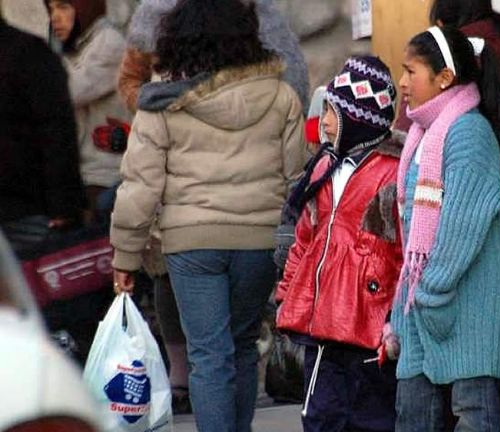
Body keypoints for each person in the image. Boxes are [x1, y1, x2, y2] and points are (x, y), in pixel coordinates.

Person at [109, 0, 308, 431]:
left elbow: (140, 187)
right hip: (258, 241)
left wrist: (125, 256)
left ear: (177, 41)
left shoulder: (161, 102)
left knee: (207, 356)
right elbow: (296, 178)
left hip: (190, 243)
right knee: (239, 347)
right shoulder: (281, 95)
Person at [391, 26, 500, 431]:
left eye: (411, 71)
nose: (403, 82)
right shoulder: (421, 135)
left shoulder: (469, 133)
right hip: (425, 302)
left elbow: (463, 227)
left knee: (473, 414)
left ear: (444, 77)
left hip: (469, 303)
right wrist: (405, 307)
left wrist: (429, 291)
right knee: (412, 412)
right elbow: (414, 229)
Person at [275, 56, 403, 432]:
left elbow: (403, 250)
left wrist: (395, 317)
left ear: (359, 118)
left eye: (333, 111)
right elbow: (304, 239)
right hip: (324, 325)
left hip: (371, 327)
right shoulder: (323, 168)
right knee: (321, 418)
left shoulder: (393, 172)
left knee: (373, 420)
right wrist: (287, 294)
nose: (325, 121)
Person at [118, 0, 309, 112]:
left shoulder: (261, 14)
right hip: (178, 163)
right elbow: (129, 80)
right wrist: (158, 111)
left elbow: (293, 87)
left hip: (255, 150)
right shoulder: (155, 13)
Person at [0, 16, 86, 255]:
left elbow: (56, 132)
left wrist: (63, 205)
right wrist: (65, 206)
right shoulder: (27, 52)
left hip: (25, 212)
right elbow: (57, 131)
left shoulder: (26, 54)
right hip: (26, 210)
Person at [44, 0, 131, 216]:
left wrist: (43, 57)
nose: (55, 17)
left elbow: (65, 93)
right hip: (82, 176)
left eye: (63, 7)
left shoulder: (109, 43)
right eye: (51, 9)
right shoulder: (79, 46)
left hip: (106, 177)